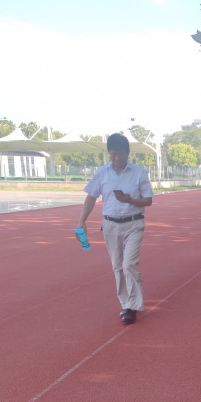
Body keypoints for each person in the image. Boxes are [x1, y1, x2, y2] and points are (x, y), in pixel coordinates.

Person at [78, 133, 154, 325]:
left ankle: (133, 306)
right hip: (110, 225)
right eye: (113, 154)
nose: (117, 158)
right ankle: (125, 304)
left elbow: (148, 200)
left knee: (129, 264)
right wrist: (82, 221)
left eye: (120, 154)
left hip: (133, 223)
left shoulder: (139, 172)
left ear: (127, 153)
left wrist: (131, 200)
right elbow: (91, 196)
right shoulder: (102, 172)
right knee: (117, 266)